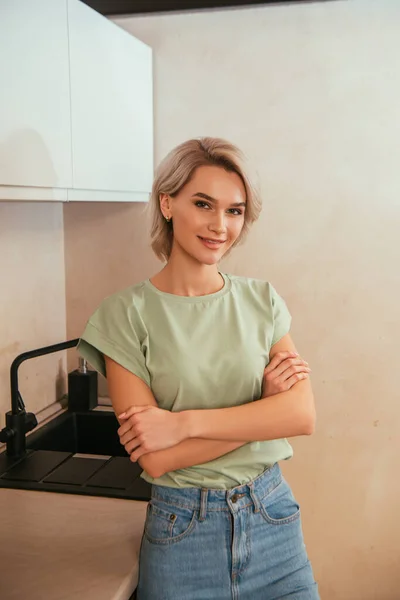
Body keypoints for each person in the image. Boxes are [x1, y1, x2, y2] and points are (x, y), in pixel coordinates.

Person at [77, 137, 320, 599]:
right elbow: (156, 457)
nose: (220, 225)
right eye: (204, 204)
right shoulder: (123, 315)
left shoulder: (261, 301)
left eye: (234, 210)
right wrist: (265, 411)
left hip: (273, 523)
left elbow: (302, 416)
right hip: (182, 534)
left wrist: (183, 424)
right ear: (167, 203)